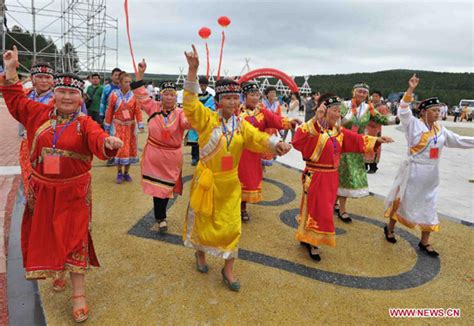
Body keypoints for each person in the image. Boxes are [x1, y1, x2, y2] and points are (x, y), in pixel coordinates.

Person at [0, 46, 123, 322]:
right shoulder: (37, 114)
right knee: (49, 234)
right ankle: (58, 271)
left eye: (73, 93)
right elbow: (15, 99)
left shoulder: (85, 124)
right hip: (43, 190)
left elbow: (97, 139)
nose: (67, 97)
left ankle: (78, 293)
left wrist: (108, 142)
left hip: (74, 193)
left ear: (80, 98)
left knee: (75, 238)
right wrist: (10, 69)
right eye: (62, 92)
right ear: (54, 94)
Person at [182, 45, 291, 291]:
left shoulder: (241, 124)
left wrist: (277, 144)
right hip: (208, 182)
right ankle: (200, 253)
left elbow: (258, 138)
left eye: (235, 98)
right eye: (227, 98)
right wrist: (192, 71)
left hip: (231, 184)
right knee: (203, 221)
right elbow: (189, 104)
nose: (232, 102)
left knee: (233, 227)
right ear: (219, 101)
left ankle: (228, 268)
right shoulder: (206, 120)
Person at [293, 93, 393, 261]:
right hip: (316, 175)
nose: (338, 114)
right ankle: (314, 242)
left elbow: (357, 139)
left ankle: (306, 236)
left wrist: (376, 140)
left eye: (339, 110)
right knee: (318, 209)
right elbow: (298, 139)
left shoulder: (338, 132)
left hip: (332, 177)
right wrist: (314, 121)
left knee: (321, 208)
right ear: (324, 111)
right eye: (334, 110)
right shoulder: (313, 128)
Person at [384, 74, 474, 257]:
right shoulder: (413, 125)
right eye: (434, 110)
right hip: (413, 171)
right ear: (424, 111)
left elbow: (458, 140)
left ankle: (425, 241)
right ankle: (390, 228)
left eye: (439, 110)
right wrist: (411, 90)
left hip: (431, 174)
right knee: (401, 201)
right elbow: (403, 110)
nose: (438, 113)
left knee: (429, 203)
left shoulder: (441, 129)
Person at [132, 59, 191, 232]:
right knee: (158, 188)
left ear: (176, 97)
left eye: (172, 94)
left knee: (166, 188)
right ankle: (161, 218)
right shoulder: (153, 107)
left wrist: (193, 121)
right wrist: (140, 74)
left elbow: (187, 123)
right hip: (154, 154)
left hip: (172, 156)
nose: (169, 97)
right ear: (161, 95)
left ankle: (160, 215)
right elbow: (140, 93)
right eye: (166, 93)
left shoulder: (180, 113)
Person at [335, 83, 399, 223]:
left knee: (348, 175)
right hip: (342, 143)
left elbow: (381, 119)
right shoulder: (344, 105)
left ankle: (341, 207)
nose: (362, 94)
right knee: (338, 174)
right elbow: (337, 122)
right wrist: (350, 114)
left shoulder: (368, 108)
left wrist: (398, 119)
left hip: (357, 145)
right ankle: (339, 206)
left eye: (364, 92)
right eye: (359, 91)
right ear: (353, 92)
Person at [238, 81, 299, 221]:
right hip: (236, 150)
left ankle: (242, 208)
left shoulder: (262, 112)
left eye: (257, 95)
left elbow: (276, 120)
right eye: (251, 95)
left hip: (253, 152)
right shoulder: (237, 111)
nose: (254, 98)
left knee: (248, 180)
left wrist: (289, 122)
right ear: (245, 96)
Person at [104, 72, 144, 184]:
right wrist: (107, 126)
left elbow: (138, 111)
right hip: (118, 126)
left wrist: (140, 124)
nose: (128, 84)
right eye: (125, 82)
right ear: (120, 83)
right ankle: (119, 172)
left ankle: (127, 172)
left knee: (130, 150)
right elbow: (110, 111)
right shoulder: (114, 95)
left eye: (129, 82)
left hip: (130, 127)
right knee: (120, 150)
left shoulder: (134, 96)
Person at [186, 76, 216, 166]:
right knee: (195, 142)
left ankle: (204, 157)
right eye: (201, 85)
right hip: (195, 121)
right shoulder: (194, 96)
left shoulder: (210, 97)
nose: (202, 87)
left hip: (205, 121)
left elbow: (212, 108)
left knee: (205, 141)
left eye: (204, 85)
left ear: (207, 86)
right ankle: (194, 157)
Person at [364, 90, 391, 174]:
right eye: (373, 96)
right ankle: (365, 164)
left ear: (380, 97)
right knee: (365, 146)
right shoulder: (368, 106)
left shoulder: (382, 107)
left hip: (376, 129)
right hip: (367, 129)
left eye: (376, 96)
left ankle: (373, 166)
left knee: (375, 146)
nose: (374, 98)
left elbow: (385, 119)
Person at [99, 67, 122, 165]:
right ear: (112, 76)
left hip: (122, 117)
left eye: (119, 75)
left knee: (122, 136)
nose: (117, 77)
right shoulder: (107, 88)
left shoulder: (124, 87)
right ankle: (111, 156)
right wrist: (101, 114)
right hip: (110, 117)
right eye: (115, 75)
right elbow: (102, 102)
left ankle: (121, 156)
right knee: (111, 136)